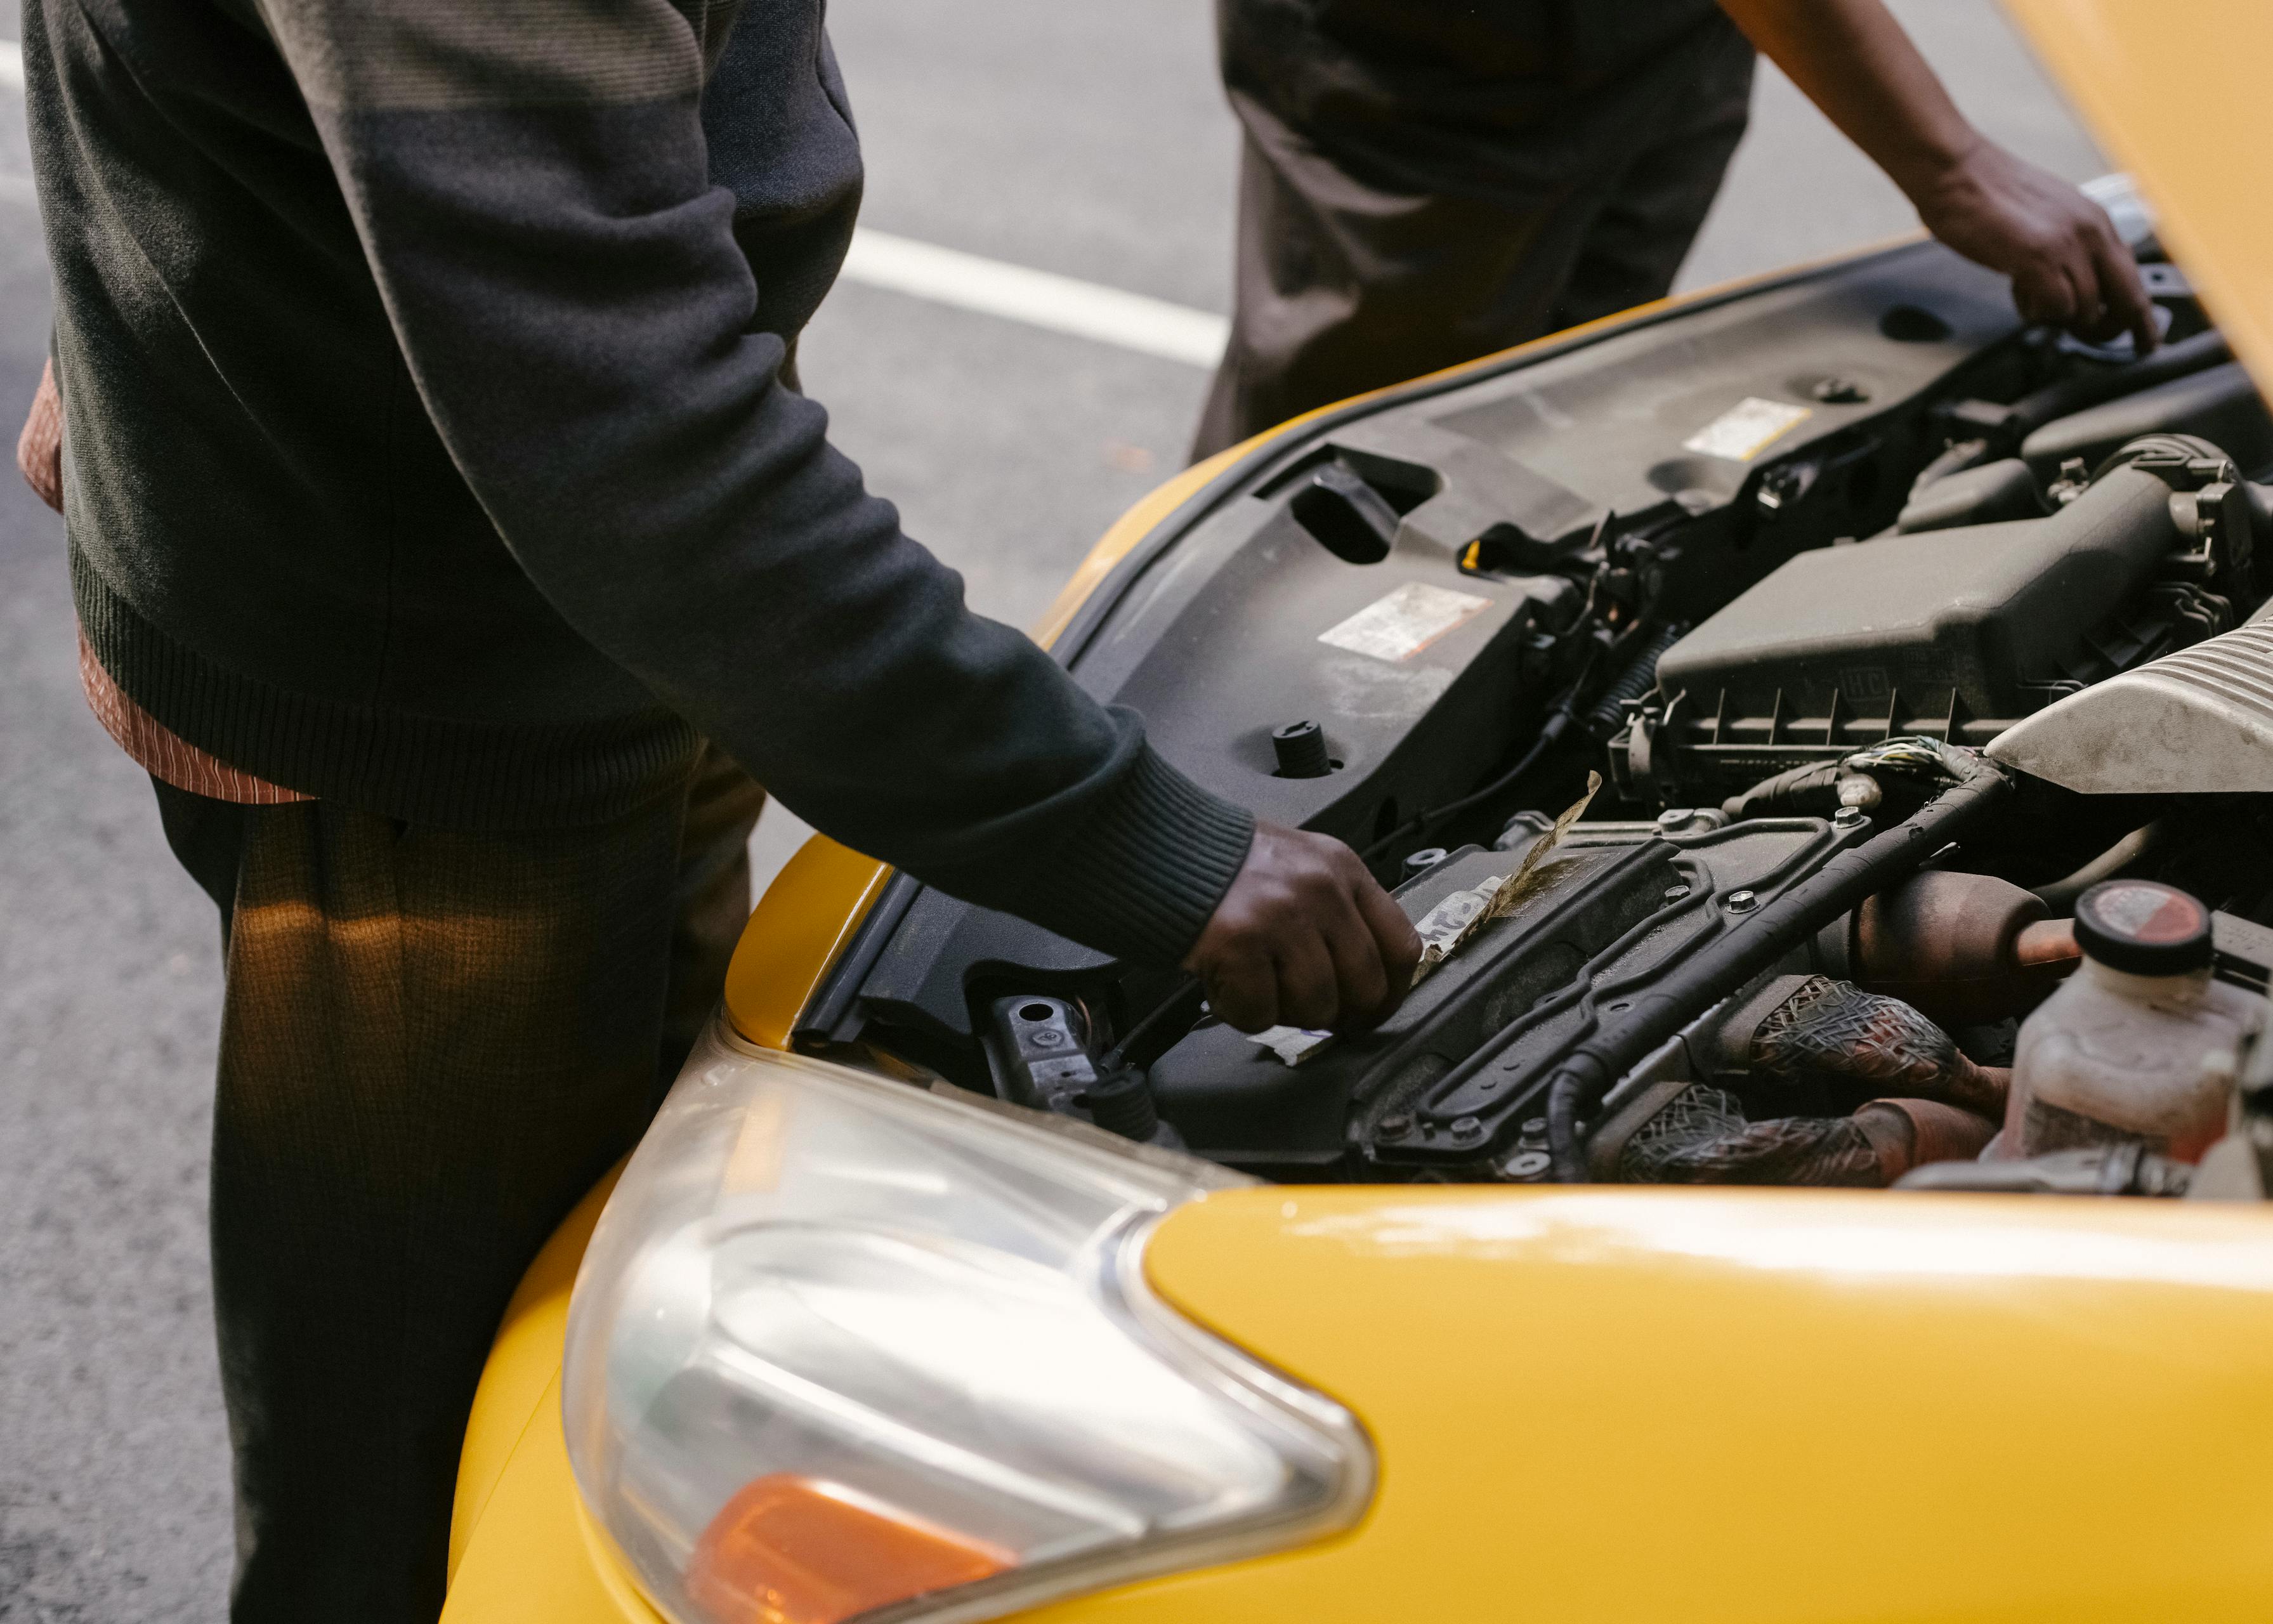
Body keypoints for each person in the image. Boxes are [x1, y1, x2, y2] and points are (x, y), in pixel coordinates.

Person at [12, 3, 1419, 1618]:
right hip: (442, 717)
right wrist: (1131, 836)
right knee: (424, 1444)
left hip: (564, 607)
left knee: (589, 1262)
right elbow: (627, 433)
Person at [1193, 0, 2158, 458]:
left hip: (1676, 28)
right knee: (1344, 462)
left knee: (1557, 402)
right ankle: (1182, 802)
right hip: (1434, 65)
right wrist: (1949, 164)